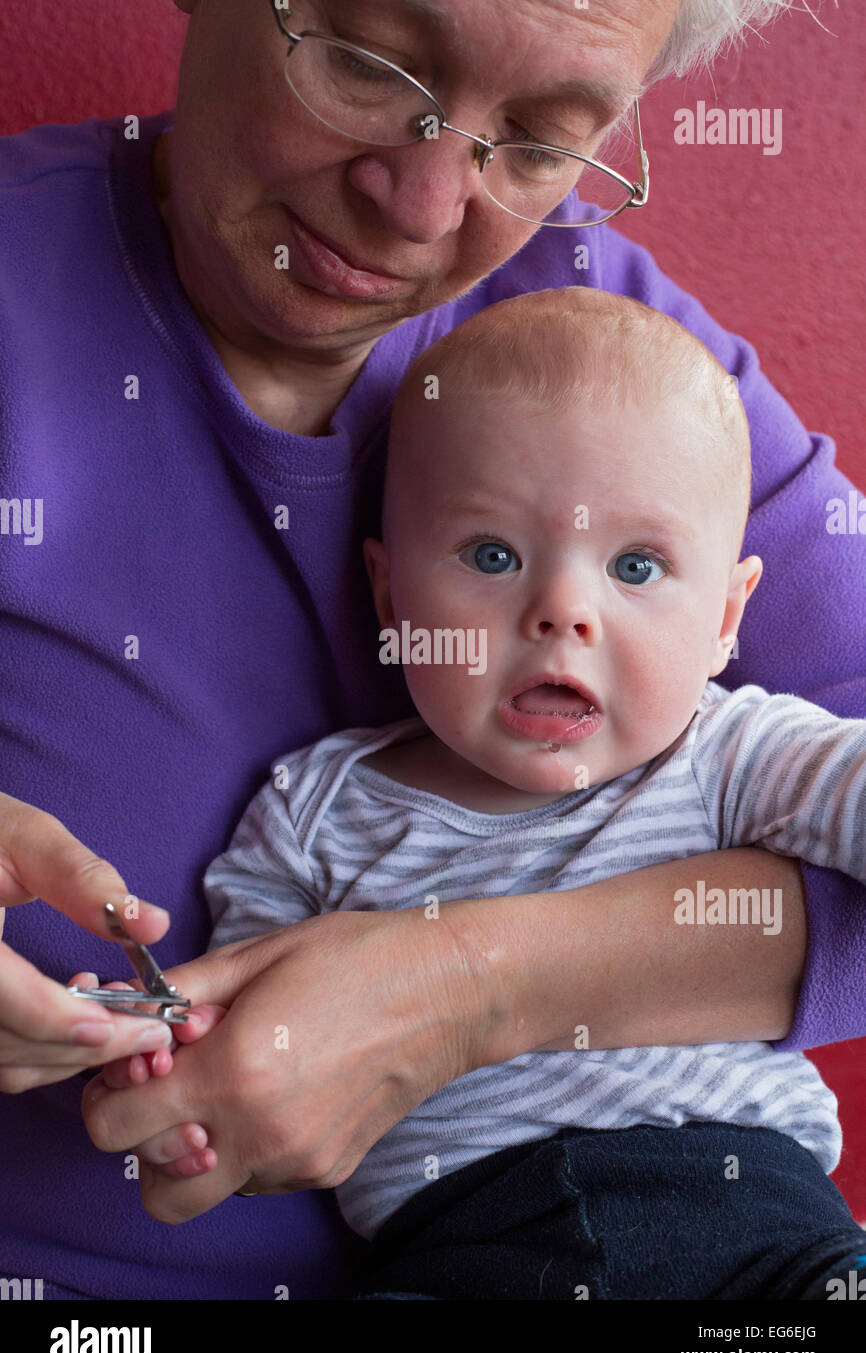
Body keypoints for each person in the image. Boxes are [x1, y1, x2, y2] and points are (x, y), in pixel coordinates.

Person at [1, 0, 863, 1301]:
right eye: (366, 62)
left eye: (534, 141)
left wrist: (468, 986)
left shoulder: (620, 358)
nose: (416, 203)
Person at [117, 289, 866, 1300]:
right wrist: (169, 1073)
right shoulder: (312, 810)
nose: (561, 611)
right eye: (491, 556)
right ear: (391, 596)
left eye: (635, 566)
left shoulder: (732, 751)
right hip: (464, 1253)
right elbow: (255, 1046)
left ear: (726, 615)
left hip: (756, 1242)